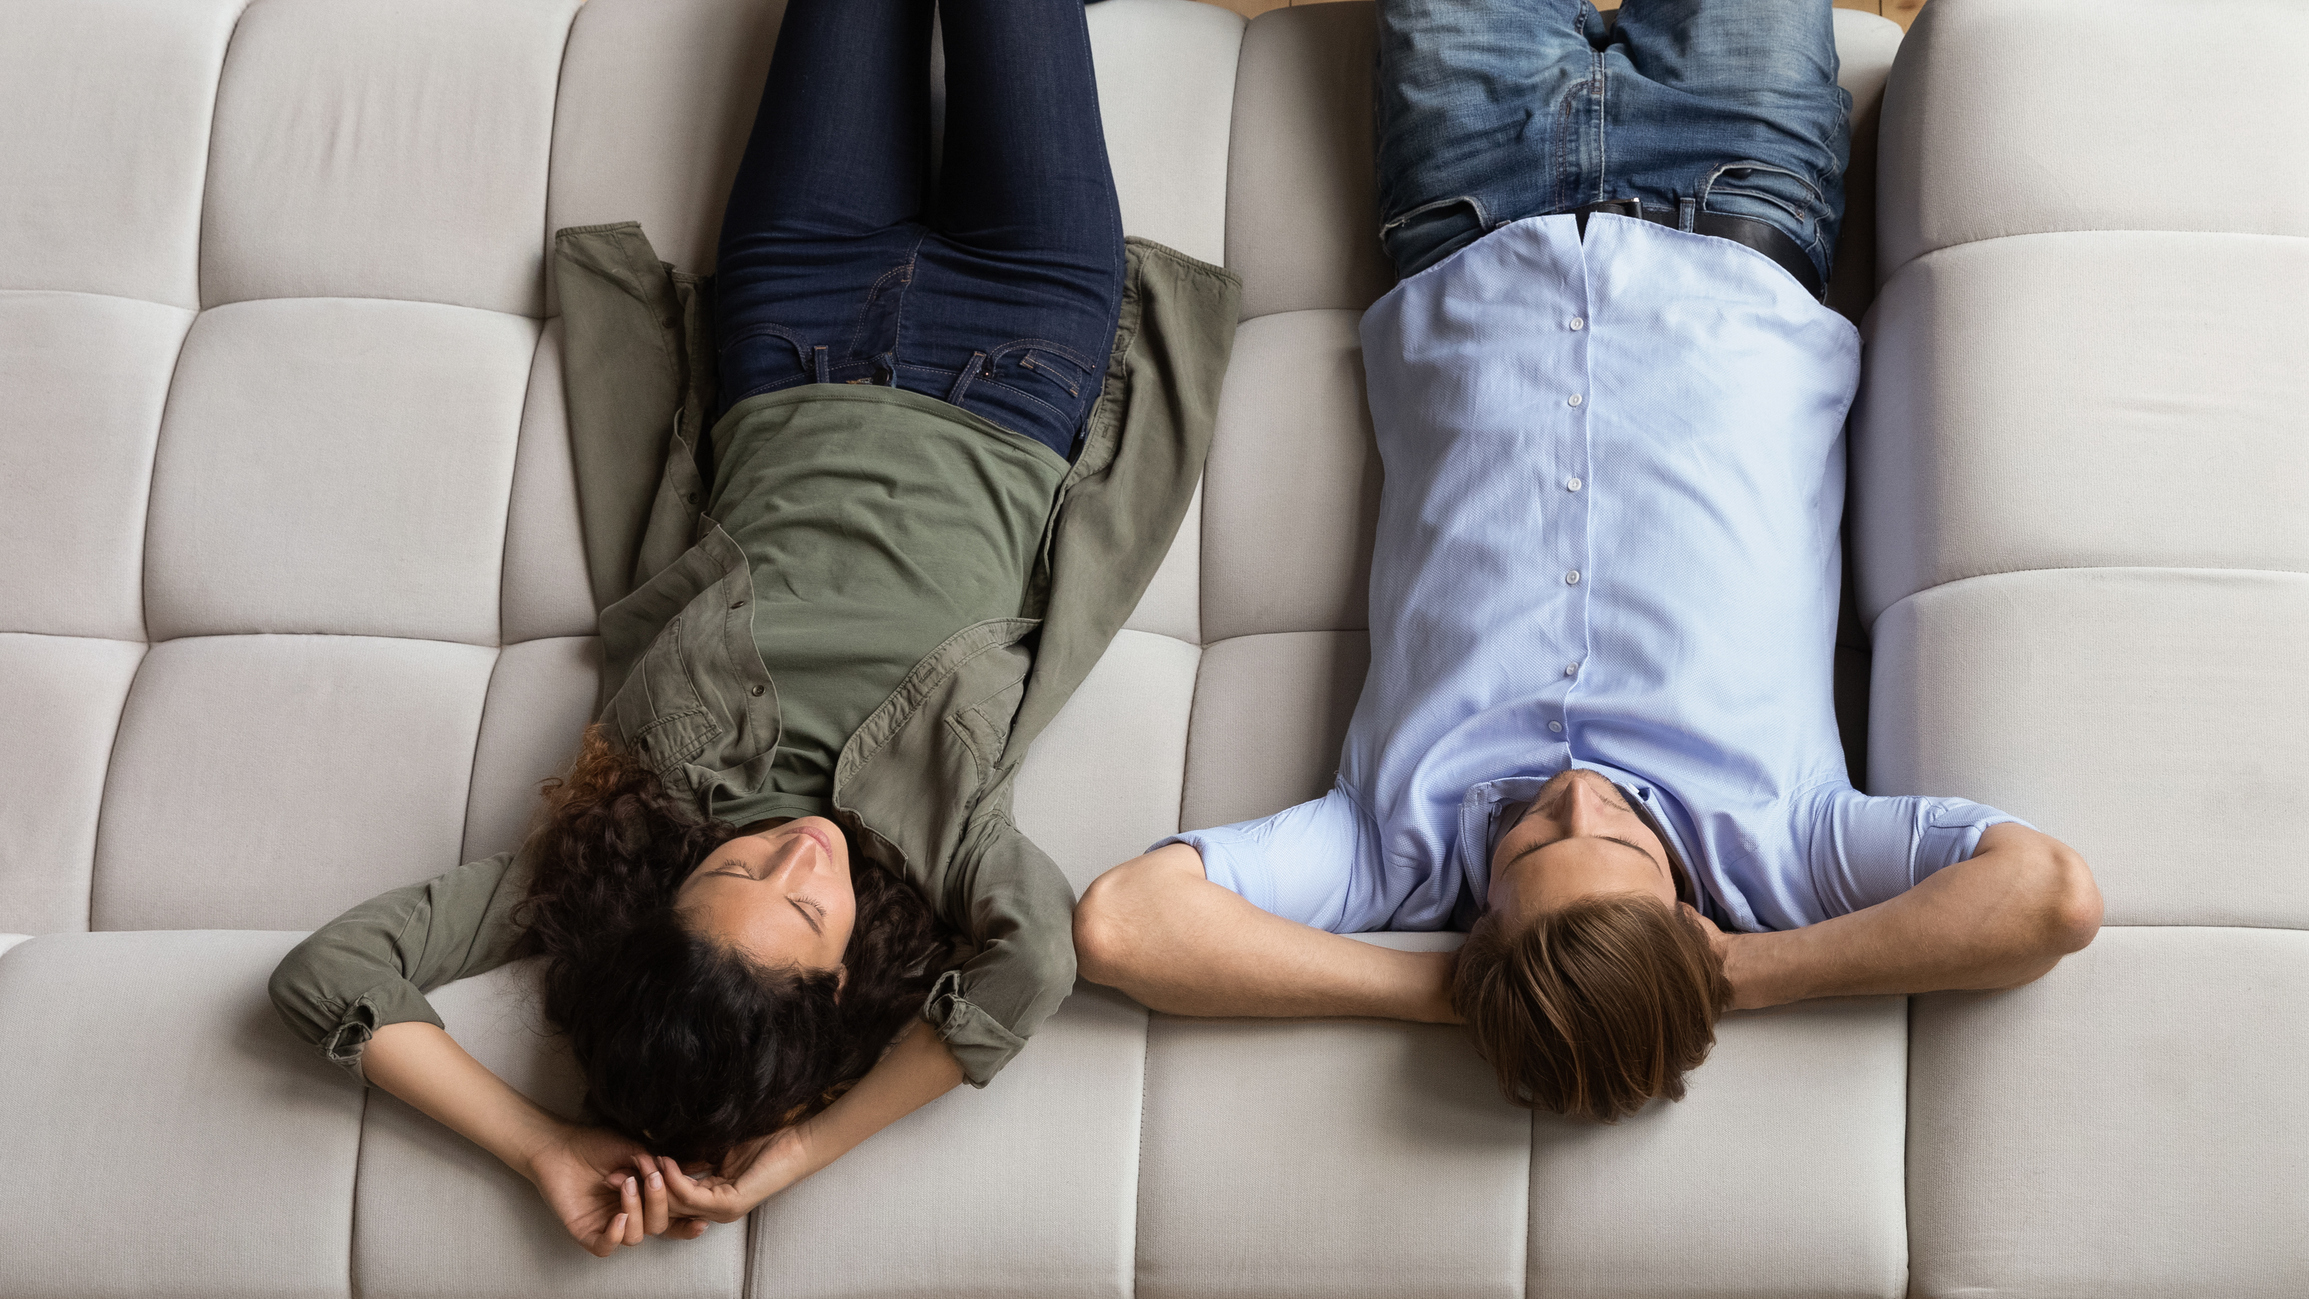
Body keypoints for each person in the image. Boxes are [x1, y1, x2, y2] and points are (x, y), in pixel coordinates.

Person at [268, 0, 1237, 1257]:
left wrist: (544, 1140)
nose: (799, 855)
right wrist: (792, 1157)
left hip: (795, 316)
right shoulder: (947, 855)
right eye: (807, 911)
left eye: (734, 874)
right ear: (847, 982)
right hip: (1024, 341)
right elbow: (1035, 965)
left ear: (667, 891)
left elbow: (328, 974)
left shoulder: (610, 839)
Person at [1074, 0, 2101, 1123]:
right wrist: (1745, 974)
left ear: (1476, 931)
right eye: (1619, 837)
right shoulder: (1784, 849)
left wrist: (1443, 992)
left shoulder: (1386, 851)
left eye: (1526, 854)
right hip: (1735, 187)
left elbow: (1122, 924)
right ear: (1685, 912)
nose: (1574, 799)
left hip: (1464, 199)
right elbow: (2046, 899)